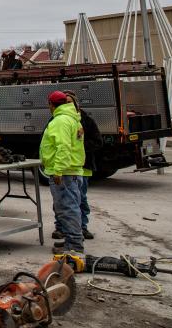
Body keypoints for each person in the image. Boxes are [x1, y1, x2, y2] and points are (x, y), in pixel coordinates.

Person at [39, 90, 85, 254]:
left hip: (64, 173)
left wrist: (58, 170)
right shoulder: (72, 118)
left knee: (67, 208)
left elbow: (63, 147)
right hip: (71, 170)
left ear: (51, 105)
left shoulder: (61, 121)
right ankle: (71, 240)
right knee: (70, 207)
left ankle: (74, 245)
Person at [67, 90, 102, 240]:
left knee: (81, 199)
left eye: (69, 102)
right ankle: (62, 227)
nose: (66, 105)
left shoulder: (86, 120)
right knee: (64, 201)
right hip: (66, 169)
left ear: (75, 103)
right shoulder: (57, 120)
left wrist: (78, 144)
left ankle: (83, 227)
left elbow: (97, 142)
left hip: (83, 168)